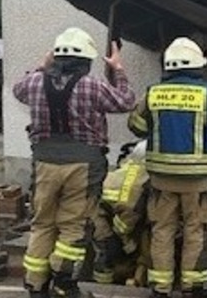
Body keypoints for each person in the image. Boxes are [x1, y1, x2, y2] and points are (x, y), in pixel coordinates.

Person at [13, 27, 136, 298]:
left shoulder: (34, 82)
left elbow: (18, 90)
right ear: (87, 60)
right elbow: (126, 101)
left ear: (55, 56)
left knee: (42, 222)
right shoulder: (92, 85)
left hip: (44, 162)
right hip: (84, 166)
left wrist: (41, 65)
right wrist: (118, 69)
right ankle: (64, 284)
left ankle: (35, 284)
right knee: (74, 225)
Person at [127, 37, 207, 298]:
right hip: (198, 181)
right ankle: (194, 286)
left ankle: (160, 286)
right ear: (198, 66)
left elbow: (136, 127)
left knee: (161, 231)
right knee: (195, 230)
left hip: (161, 180)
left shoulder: (152, 94)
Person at [91, 140, 150, 286]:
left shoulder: (129, 166)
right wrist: (129, 246)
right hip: (99, 216)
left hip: (105, 211)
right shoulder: (140, 181)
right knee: (108, 252)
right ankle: (104, 288)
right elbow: (124, 225)